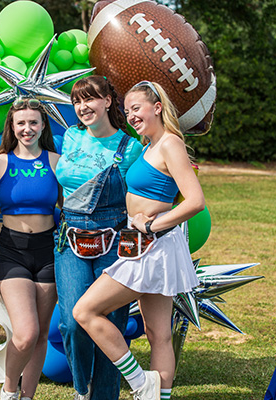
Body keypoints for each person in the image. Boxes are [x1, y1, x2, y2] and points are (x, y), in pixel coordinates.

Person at [72, 81, 204, 400]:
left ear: (157, 107)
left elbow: (195, 201)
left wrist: (154, 225)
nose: (130, 115)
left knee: (85, 311)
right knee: (157, 333)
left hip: (153, 244)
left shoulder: (170, 143)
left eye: (137, 108)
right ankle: (158, 396)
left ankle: (140, 382)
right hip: (140, 240)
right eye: (126, 110)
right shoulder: (149, 145)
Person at [54, 75, 143, 400]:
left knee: (110, 325)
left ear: (108, 101)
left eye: (90, 99)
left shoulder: (130, 148)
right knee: (72, 323)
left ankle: (105, 396)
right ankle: (82, 389)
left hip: (114, 242)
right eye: (78, 101)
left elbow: (139, 197)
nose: (82, 107)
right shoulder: (72, 138)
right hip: (70, 239)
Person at [0, 98, 61, 400]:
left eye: (33, 123)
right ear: (12, 128)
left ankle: (27, 396)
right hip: (11, 250)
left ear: (42, 126)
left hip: (48, 251)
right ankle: (9, 390)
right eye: (21, 123)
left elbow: (70, 207)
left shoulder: (56, 161)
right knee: (25, 333)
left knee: (40, 334)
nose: (27, 129)